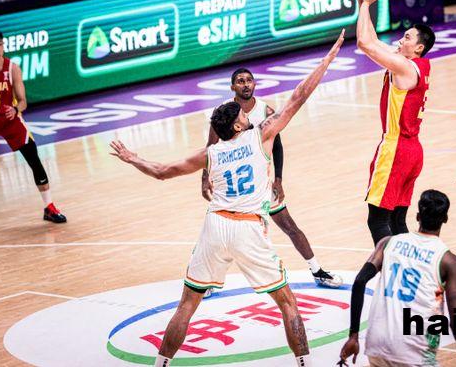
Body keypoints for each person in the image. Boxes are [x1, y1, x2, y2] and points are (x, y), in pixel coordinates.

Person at [109, 30, 345, 367]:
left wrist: (133, 158)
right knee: (287, 303)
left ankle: (160, 364)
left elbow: (162, 171)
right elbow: (299, 95)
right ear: (236, 126)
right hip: (248, 228)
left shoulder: (210, 153)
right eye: (242, 115)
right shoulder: (259, 137)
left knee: (187, 304)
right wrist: (328, 59)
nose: (247, 115)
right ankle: (305, 363)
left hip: (215, 226)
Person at [202, 68, 343, 288]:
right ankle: (207, 281)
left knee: (290, 227)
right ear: (232, 87)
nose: (246, 84)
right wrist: (205, 177)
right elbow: (210, 146)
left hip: (263, 183)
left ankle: (317, 270)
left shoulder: (265, 111)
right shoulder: (224, 112)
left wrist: (278, 179)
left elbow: (277, 145)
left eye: (249, 80)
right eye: (240, 81)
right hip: (239, 189)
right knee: (223, 238)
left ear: (254, 84)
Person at [338, 189, 456, 367]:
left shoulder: (388, 243)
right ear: (445, 219)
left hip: (378, 345)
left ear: (418, 216)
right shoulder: (449, 261)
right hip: (414, 351)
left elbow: (359, 281)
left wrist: (353, 336)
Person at [353, 0, 435, 246]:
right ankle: (409, 264)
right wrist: (362, 2)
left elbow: (363, 43)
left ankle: (390, 266)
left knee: (377, 220)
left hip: (395, 149)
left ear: (419, 47)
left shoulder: (403, 67)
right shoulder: (415, 65)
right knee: (397, 220)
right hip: (413, 150)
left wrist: (367, 4)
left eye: (407, 38)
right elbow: (374, 41)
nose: (401, 40)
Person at [0, 28, 66, 222]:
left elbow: (23, 102)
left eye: (0, 44)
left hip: (9, 118)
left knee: (33, 158)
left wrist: (15, 110)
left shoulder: (12, 68)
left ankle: (49, 207)